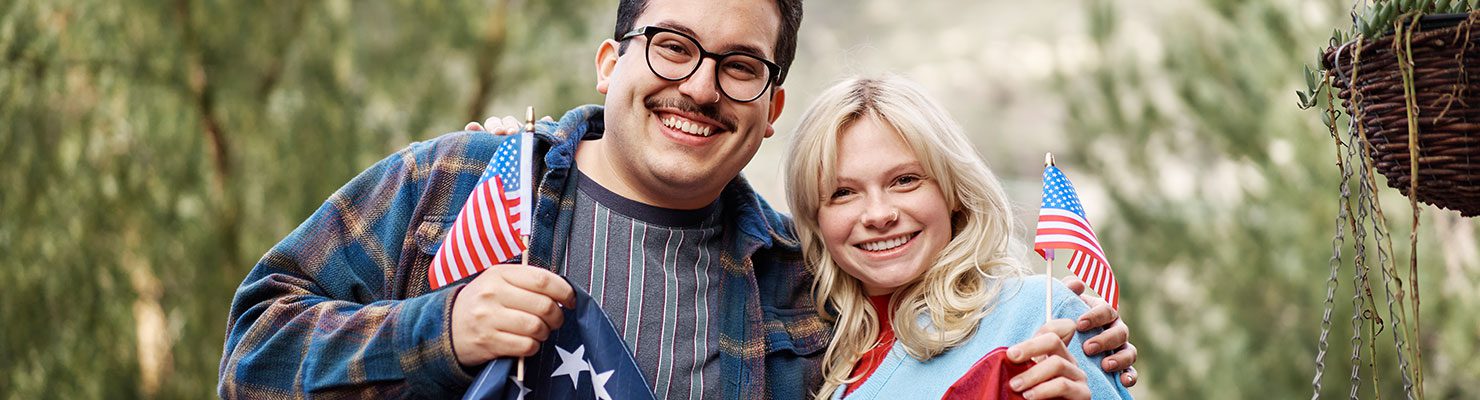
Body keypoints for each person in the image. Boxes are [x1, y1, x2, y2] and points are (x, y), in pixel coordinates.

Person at [220, 0, 1137, 398]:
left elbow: (939, 353)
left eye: (739, 65)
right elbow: (250, 361)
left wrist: (1089, 360)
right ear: (611, 60)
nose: (700, 86)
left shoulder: (798, 285)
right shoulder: (455, 185)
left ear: (770, 108)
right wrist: (442, 330)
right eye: (671, 45)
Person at [781, 75, 1131, 399]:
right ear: (816, 218)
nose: (878, 214)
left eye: (905, 180)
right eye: (843, 192)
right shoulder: (809, 347)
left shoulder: (1040, 314)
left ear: (953, 193)